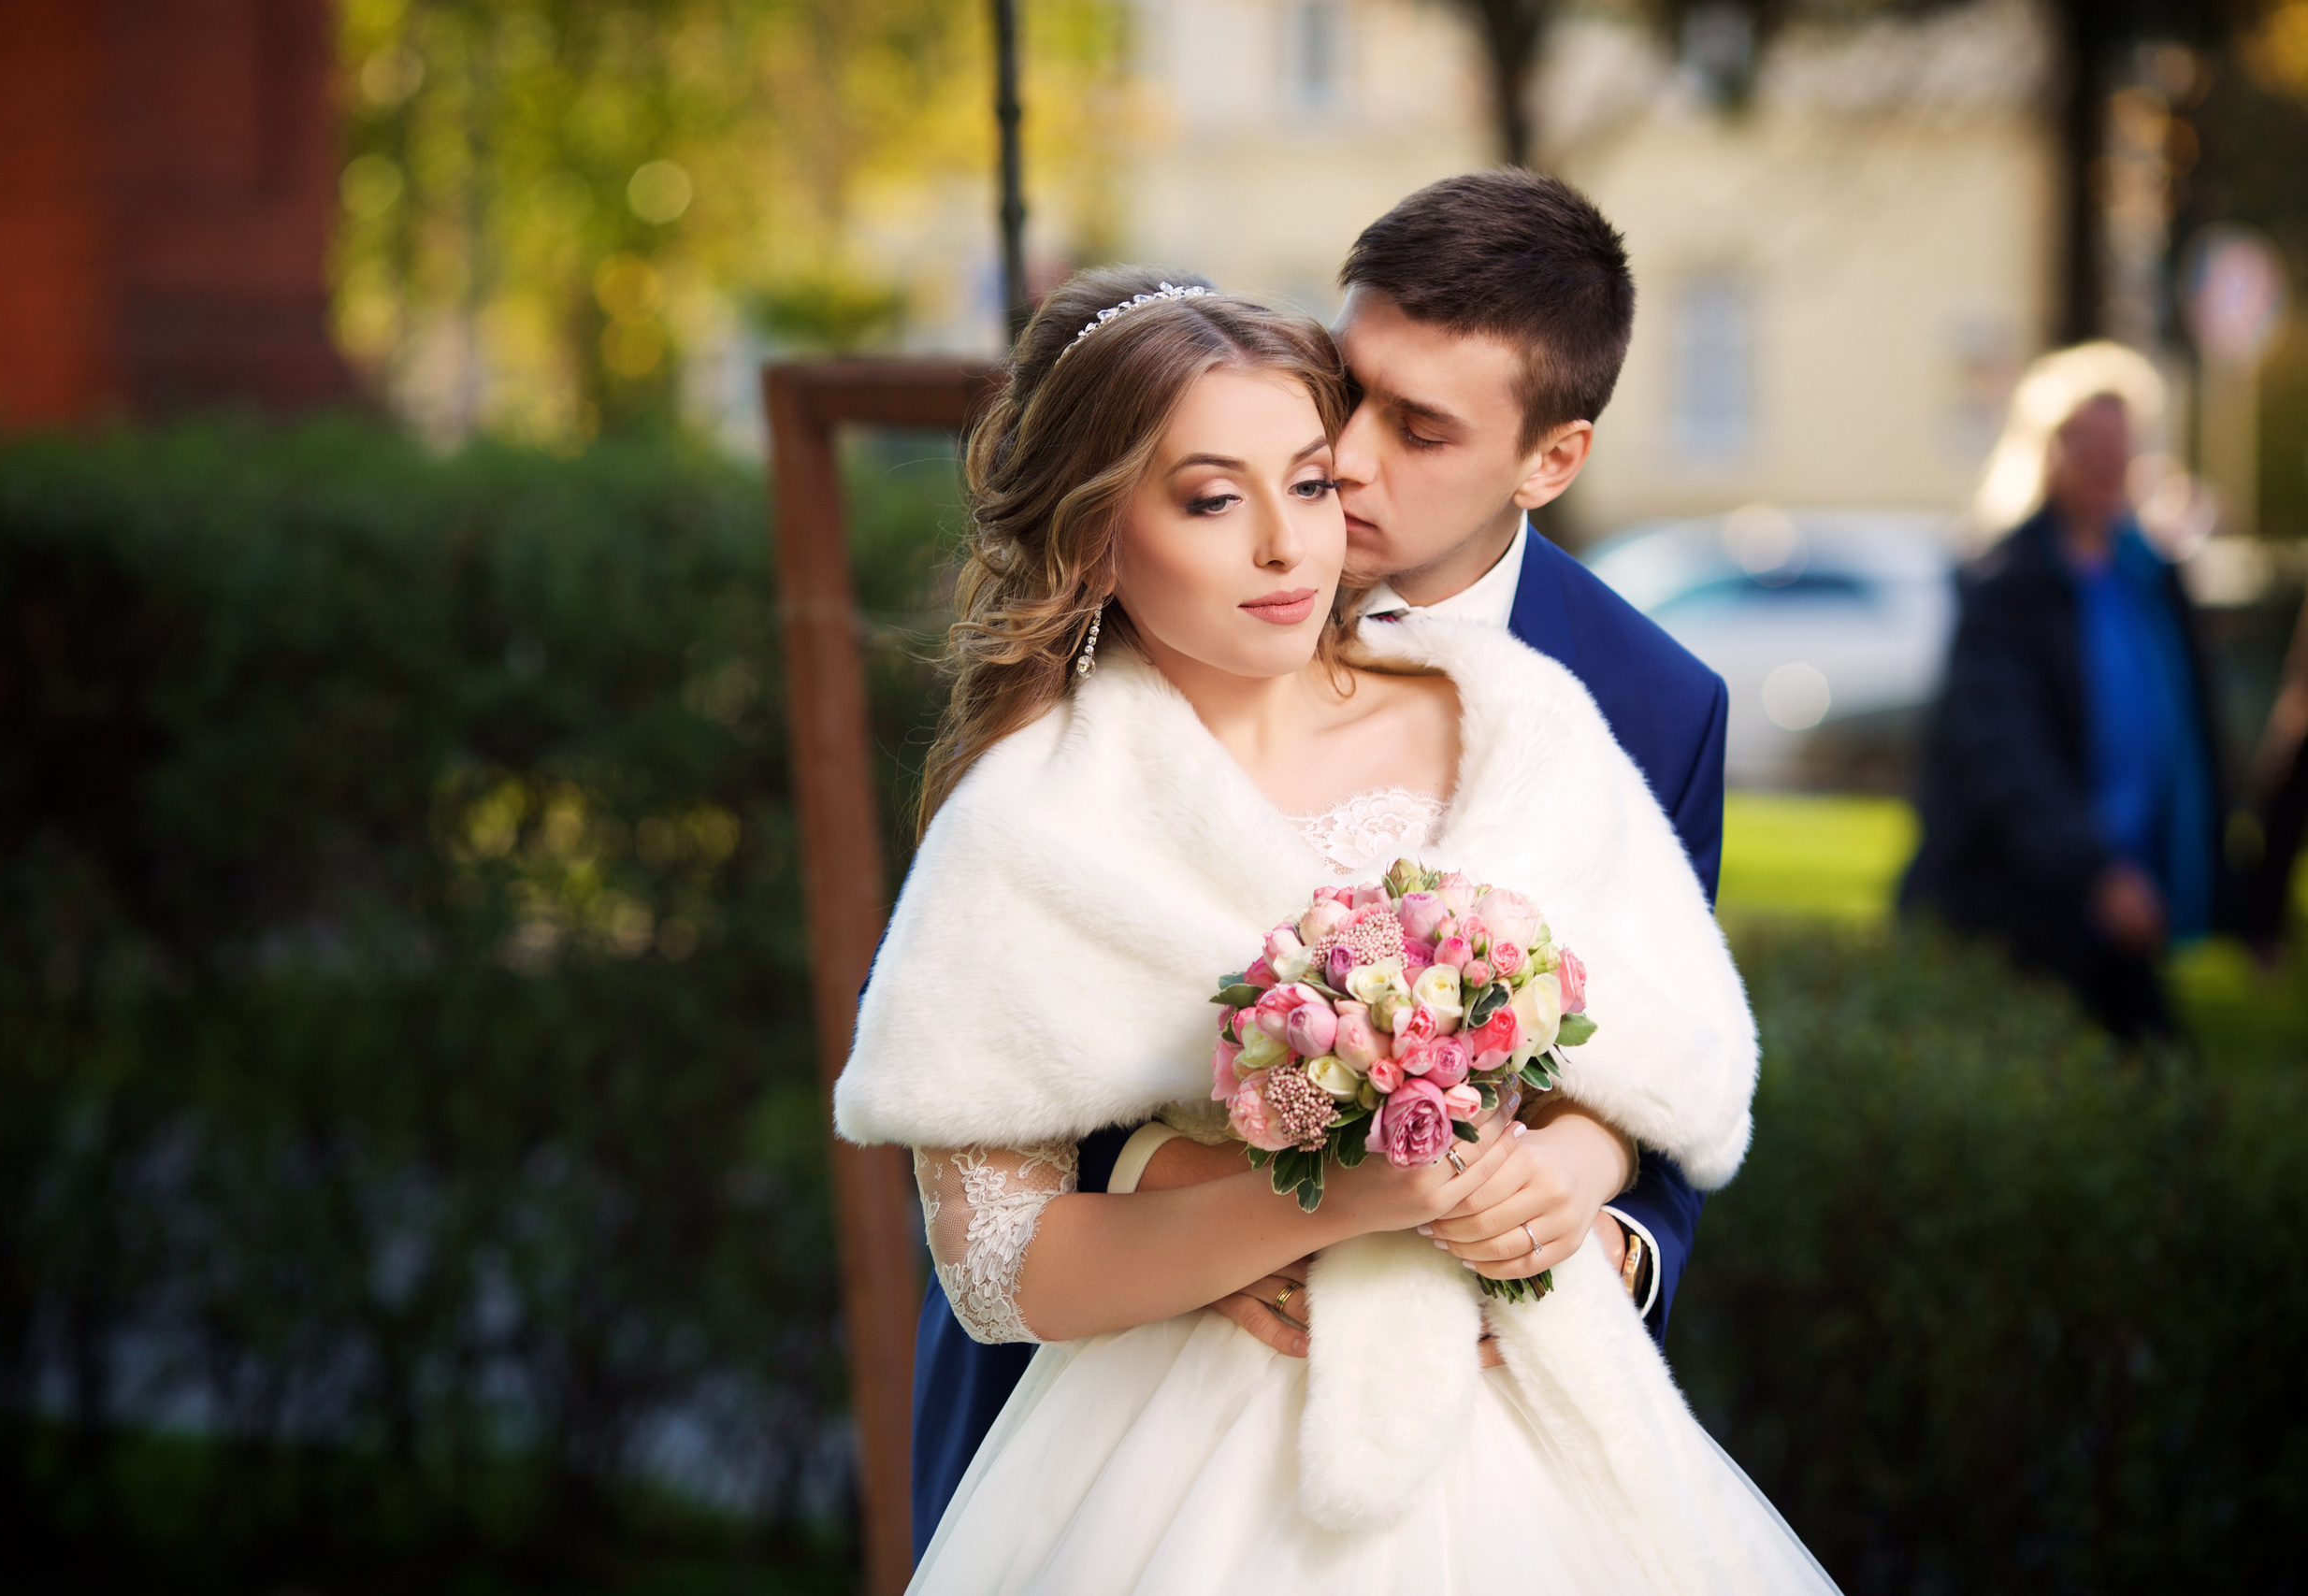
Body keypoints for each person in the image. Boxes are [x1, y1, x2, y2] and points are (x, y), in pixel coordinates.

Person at [839, 266, 1834, 1590]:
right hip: (1184, 1458)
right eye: (1210, 498)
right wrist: (1313, 1201)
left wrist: (1578, 1158)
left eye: (1308, 483)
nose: (1284, 546)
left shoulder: (1510, 715)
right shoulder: (1030, 819)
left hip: (1531, 1440)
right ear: (1094, 537)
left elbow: (1675, 1050)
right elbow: (1004, 1263)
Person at [1901, 364, 2229, 1038]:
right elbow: (2006, 751)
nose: (2106, 462)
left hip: (2130, 893)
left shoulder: (2152, 578)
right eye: (2086, 443)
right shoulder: (2003, 583)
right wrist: (2094, 871)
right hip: (2029, 901)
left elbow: (2198, 734)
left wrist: (2238, 892)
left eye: (2120, 445)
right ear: (2046, 453)